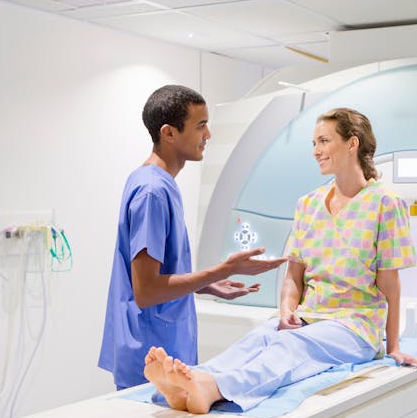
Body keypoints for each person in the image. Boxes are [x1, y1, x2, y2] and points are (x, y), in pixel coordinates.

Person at [143, 107, 417, 414]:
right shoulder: (308, 205)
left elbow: (391, 285)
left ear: (352, 144)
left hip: (354, 325)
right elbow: (294, 276)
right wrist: (286, 311)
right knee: (261, 336)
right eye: (314, 144)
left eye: (324, 141)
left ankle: (213, 389)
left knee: (289, 345)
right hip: (309, 316)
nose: (316, 151)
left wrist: (394, 346)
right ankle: (195, 379)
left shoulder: (385, 203)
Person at [99, 85, 287, 389]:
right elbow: (146, 290)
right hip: (151, 357)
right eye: (200, 125)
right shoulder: (152, 192)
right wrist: (225, 269)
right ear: (169, 133)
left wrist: (206, 284)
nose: (208, 135)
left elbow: (159, 275)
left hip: (158, 349)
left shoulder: (155, 182)